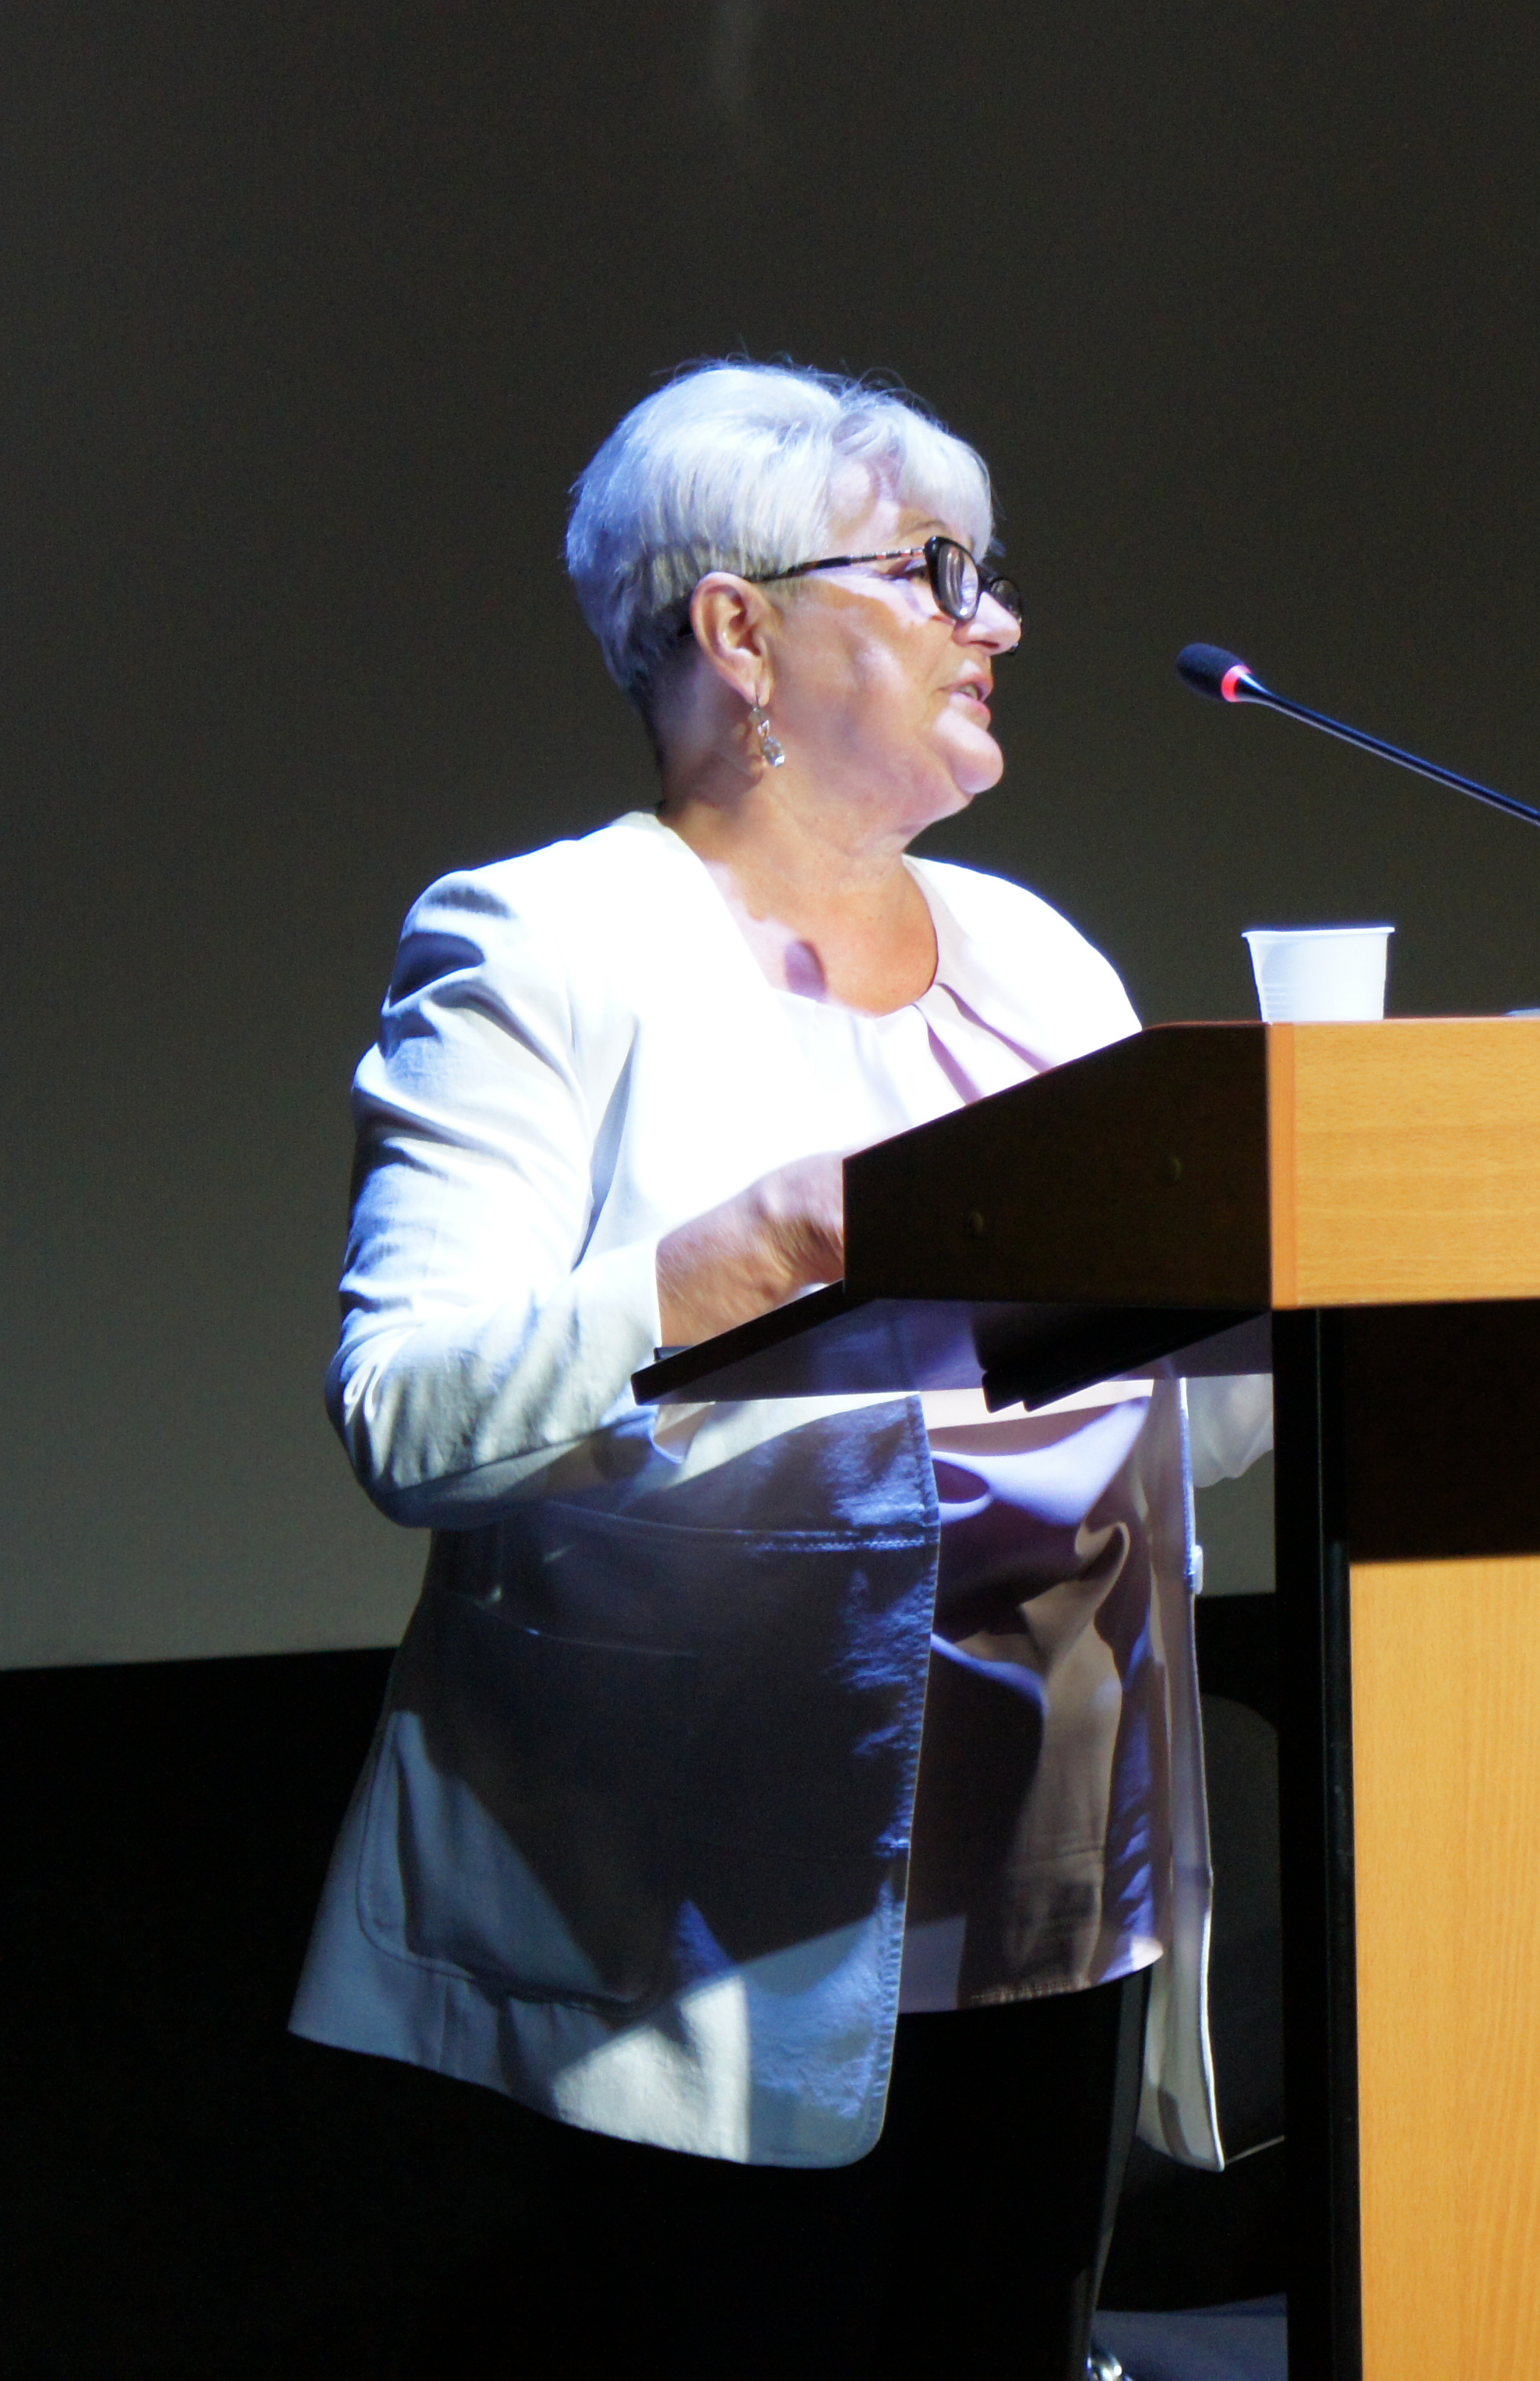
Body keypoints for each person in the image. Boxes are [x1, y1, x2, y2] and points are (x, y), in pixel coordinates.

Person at [288, 362, 1270, 2379]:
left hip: (1053, 1900)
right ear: (739, 630)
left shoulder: (1039, 964)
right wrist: (761, 1251)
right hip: (709, 1922)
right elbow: (408, 1408)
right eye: (936, 573)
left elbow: (1195, 1419)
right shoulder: (544, 943)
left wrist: (1321, 1285)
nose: (999, 624)